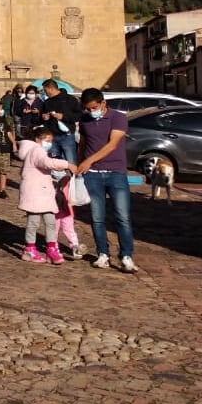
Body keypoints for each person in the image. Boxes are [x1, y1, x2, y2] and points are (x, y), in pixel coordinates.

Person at [75, 87, 137, 273]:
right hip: (93, 174)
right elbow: (83, 143)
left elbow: (112, 144)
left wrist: (89, 160)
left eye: (93, 107)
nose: (90, 111)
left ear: (103, 103)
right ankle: (103, 253)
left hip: (116, 172)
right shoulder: (85, 119)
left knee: (122, 216)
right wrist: (79, 164)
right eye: (87, 108)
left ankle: (126, 255)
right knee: (97, 217)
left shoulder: (118, 117)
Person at [16, 127, 71, 264]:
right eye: (47, 140)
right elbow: (46, 163)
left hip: (42, 192)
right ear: (38, 140)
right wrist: (67, 164)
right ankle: (29, 248)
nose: (49, 143)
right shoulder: (37, 150)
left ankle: (51, 248)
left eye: (51, 141)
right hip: (35, 193)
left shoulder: (37, 151)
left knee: (50, 221)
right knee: (33, 221)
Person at [40, 79, 81, 164]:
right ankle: (57, 177)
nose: (45, 92)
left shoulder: (70, 100)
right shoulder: (47, 102)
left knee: (70, 160)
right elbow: (40, 118)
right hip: (51, 136)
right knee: (54, 161)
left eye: (45, 90)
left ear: (51, 88)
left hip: (67, 136)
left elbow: (79, 116)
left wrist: (63, 117)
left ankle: (73, 176)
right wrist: (44, 117)